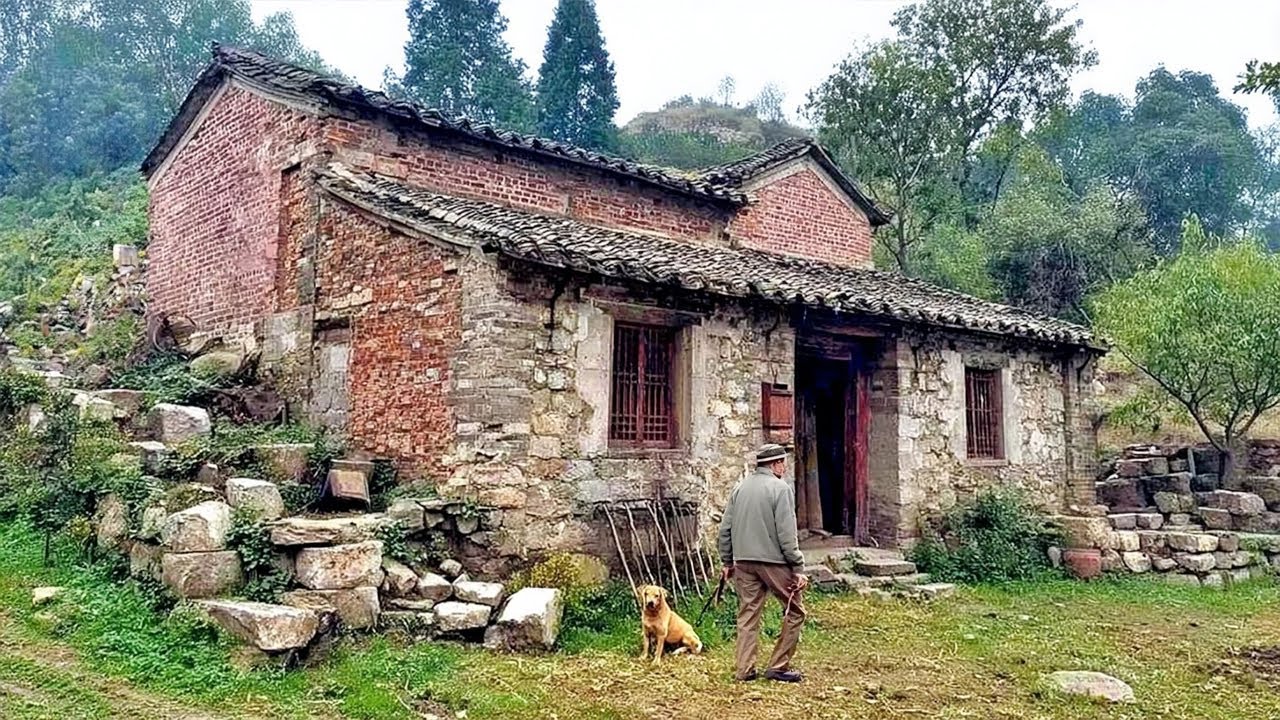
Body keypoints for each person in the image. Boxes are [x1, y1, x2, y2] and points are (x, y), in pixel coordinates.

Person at [717, 443, 808, 683]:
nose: (785, 467)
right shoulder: (780, 489)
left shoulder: (740, 488)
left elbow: (725, 530)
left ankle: (744, 670)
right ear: (776, 464)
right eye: (783, 463)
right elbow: (787, 535)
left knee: (748, 615)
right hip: (774, 562)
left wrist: (727, 561)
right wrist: (797, 567)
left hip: (743, 562)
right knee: (796, 611)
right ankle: (778, 666)